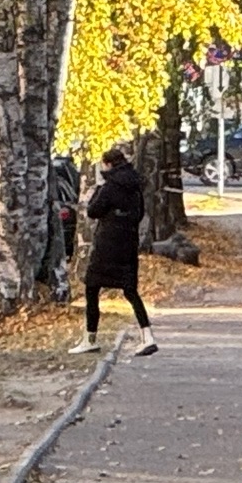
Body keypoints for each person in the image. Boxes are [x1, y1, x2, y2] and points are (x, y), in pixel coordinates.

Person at [71, 147, 156, 356]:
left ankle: (89, 338)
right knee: (130, 290)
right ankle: (147, 336)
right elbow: (139, 214)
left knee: (92, 287)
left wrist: (98, 192)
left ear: (107, 164)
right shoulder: (135, 186)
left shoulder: (108, 187)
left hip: (107, 245)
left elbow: (93, 211)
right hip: (127, 243)